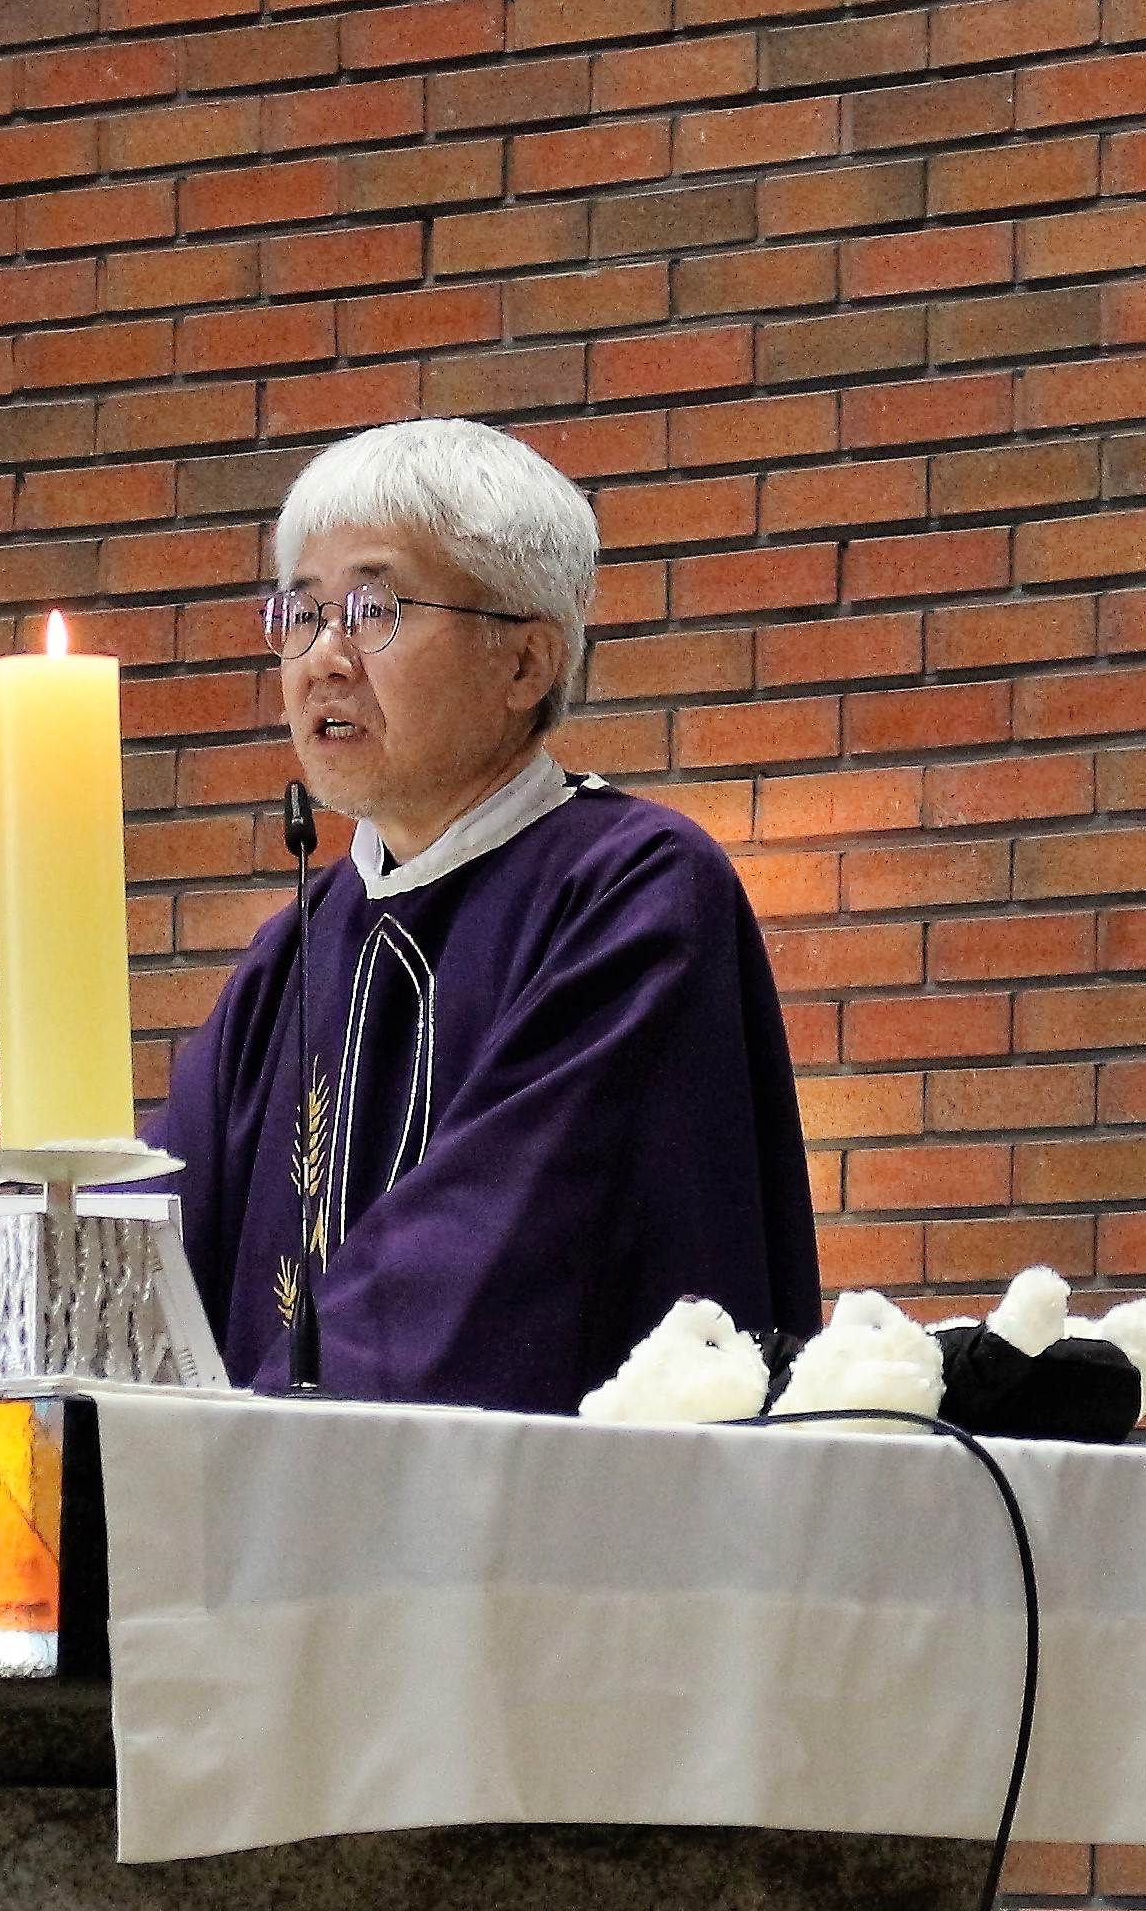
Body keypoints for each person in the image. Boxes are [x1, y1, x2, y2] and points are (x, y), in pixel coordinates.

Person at [154, 417, 823, 1411]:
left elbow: (506, 1246)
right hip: (280, 1494)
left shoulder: (632, 888)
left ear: (525, 664)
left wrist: (269, 1445)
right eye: (301, 612)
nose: (322, 659)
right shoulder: (295, 948)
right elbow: (154, 1242)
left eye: (374, 609)